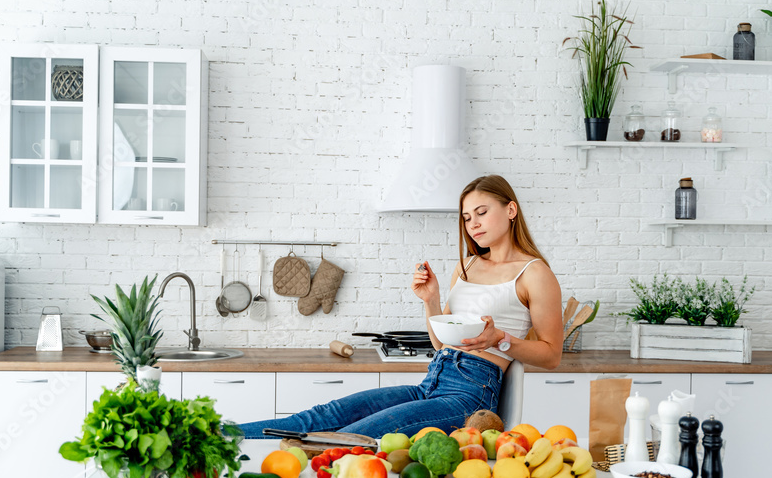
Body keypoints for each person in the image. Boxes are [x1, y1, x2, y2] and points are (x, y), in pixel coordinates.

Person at [234, 175, 563, 439]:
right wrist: (431, 300)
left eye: (481, 212)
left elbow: (551, 355)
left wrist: (499, 339)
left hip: (471, 395)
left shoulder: (534, 273)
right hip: (434, 379)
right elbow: (441, 343)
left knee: (348, 437)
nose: (472, 224)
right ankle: (217, 437)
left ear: (510, 210)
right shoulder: (467, 266)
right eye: (465, 217)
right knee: (324, 415)